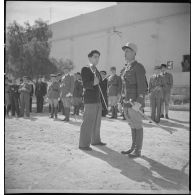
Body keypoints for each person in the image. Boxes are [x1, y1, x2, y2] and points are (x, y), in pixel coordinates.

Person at [120, 43, 147, 158]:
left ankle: (138, 150)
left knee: (137, 125)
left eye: (128, 51)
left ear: (134, 53)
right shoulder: (126, 68)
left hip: (135, 102)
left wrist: (139, 102)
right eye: (125, 51)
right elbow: (124, 87)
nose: (126, 53)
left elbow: (143, 87)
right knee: (132, 125)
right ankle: (133, 147)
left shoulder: (138, 67)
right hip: (127, 102)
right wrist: (122, 101)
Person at [79, 50, 106, 151]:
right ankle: (83, 144)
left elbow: (100, 85)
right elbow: (86, 84)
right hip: (90, 100)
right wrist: (93, 83)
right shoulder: (86, 69)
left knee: (96, 122)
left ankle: (95, 140)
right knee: (88, 122)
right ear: (89, 58)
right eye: (95, 57)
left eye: (98, 57)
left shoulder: (96, 70)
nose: (97, 59)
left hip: (97, 99)